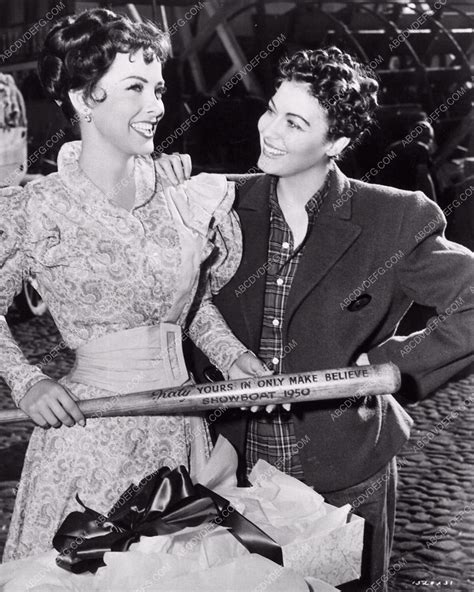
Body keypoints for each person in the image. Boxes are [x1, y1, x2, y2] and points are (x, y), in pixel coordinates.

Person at [189, 47, 474, 590]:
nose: (269, 130)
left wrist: (384, 367)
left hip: (343, 474)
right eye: (271, 108)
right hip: (233, 471)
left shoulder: (393, 218)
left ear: (337, 143)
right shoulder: (218, 203)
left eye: (294, 122)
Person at [0, 8, 258, 562]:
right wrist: (27, 382)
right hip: (90, 439)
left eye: (158, 88)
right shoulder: (40, 208)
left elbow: (187, 308)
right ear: (81, 98)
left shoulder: (179, 193)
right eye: (134, 88)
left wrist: (233, 357)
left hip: (182, 436)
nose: (156, 107)